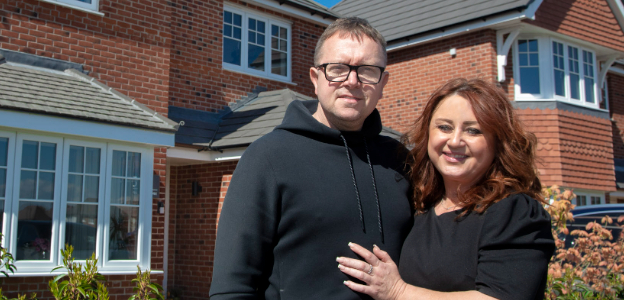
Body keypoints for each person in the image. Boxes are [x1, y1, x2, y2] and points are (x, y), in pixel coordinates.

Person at [209, 17, 413, 299]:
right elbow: (232, 289)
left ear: (383, 82)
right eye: (338, 69)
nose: (352, 81)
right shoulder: (268, 158)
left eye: (367, 70)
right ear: (316, 79)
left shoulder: (401, 161)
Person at [337, 78, 556, 300]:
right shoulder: (420, 206)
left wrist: (397, 291)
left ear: (499, 142)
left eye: (473, 131)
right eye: (444, 127)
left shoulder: (514, 211)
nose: (455, 141)